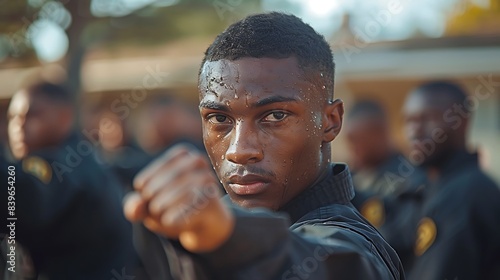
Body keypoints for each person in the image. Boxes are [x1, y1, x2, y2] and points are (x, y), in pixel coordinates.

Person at [124, 12, 404, 279]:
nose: (239, 150)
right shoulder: (190, 226)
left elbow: (332, 267)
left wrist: (226, 235)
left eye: (275, 116)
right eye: (219, 118)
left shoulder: (357, 246)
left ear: (330, 122)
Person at [0, 81, 141, 279]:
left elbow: (29, 193)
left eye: (32, 115)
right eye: (12, 117)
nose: (19, 126)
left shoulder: (65, 166)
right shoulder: (83, 159)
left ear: (64, 117)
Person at [379, 81, 500, 280]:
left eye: (428, 118)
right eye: (409, 121)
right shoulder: (426, 185)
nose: (414, 131)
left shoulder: (467, 193)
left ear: (460, 122)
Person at [345, 100, 416, 227]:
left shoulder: (408, 175)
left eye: (358, 139)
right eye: (350, 140)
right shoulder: (353, 175)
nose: (353, 148)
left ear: (379, 133)